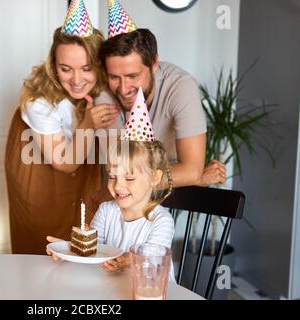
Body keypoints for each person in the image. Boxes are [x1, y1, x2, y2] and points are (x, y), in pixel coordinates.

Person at [86, 0, 226, 214]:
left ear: (154, 64)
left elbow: (190, 169)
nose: (123, 88)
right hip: (116, 206)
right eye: (115, 77)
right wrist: (190, 177)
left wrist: (191, 173)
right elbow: (121, 171)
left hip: (156, 206)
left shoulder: (181, 87)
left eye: (133, 75)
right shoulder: (104, 92)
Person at [5, 0, 120, 254]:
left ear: (99, 66)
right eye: (66, 69)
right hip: (39, 165)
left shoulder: (106, 86)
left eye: (86, 69)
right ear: (54, 66)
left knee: (82, 232)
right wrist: (89, 123)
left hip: (80, 162)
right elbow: (65, 162)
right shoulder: (39, 101)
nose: (77, 80)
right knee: (42, 240)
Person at [47, 88, 175, 277]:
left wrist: (128, 261)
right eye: (112, 176)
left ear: (154, 178)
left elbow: (152, 262)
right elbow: (93, 250)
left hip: (149, 292)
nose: (118, 185)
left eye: (129, 178)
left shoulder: (160, 221)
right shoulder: (107, 211)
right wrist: (68, 250)